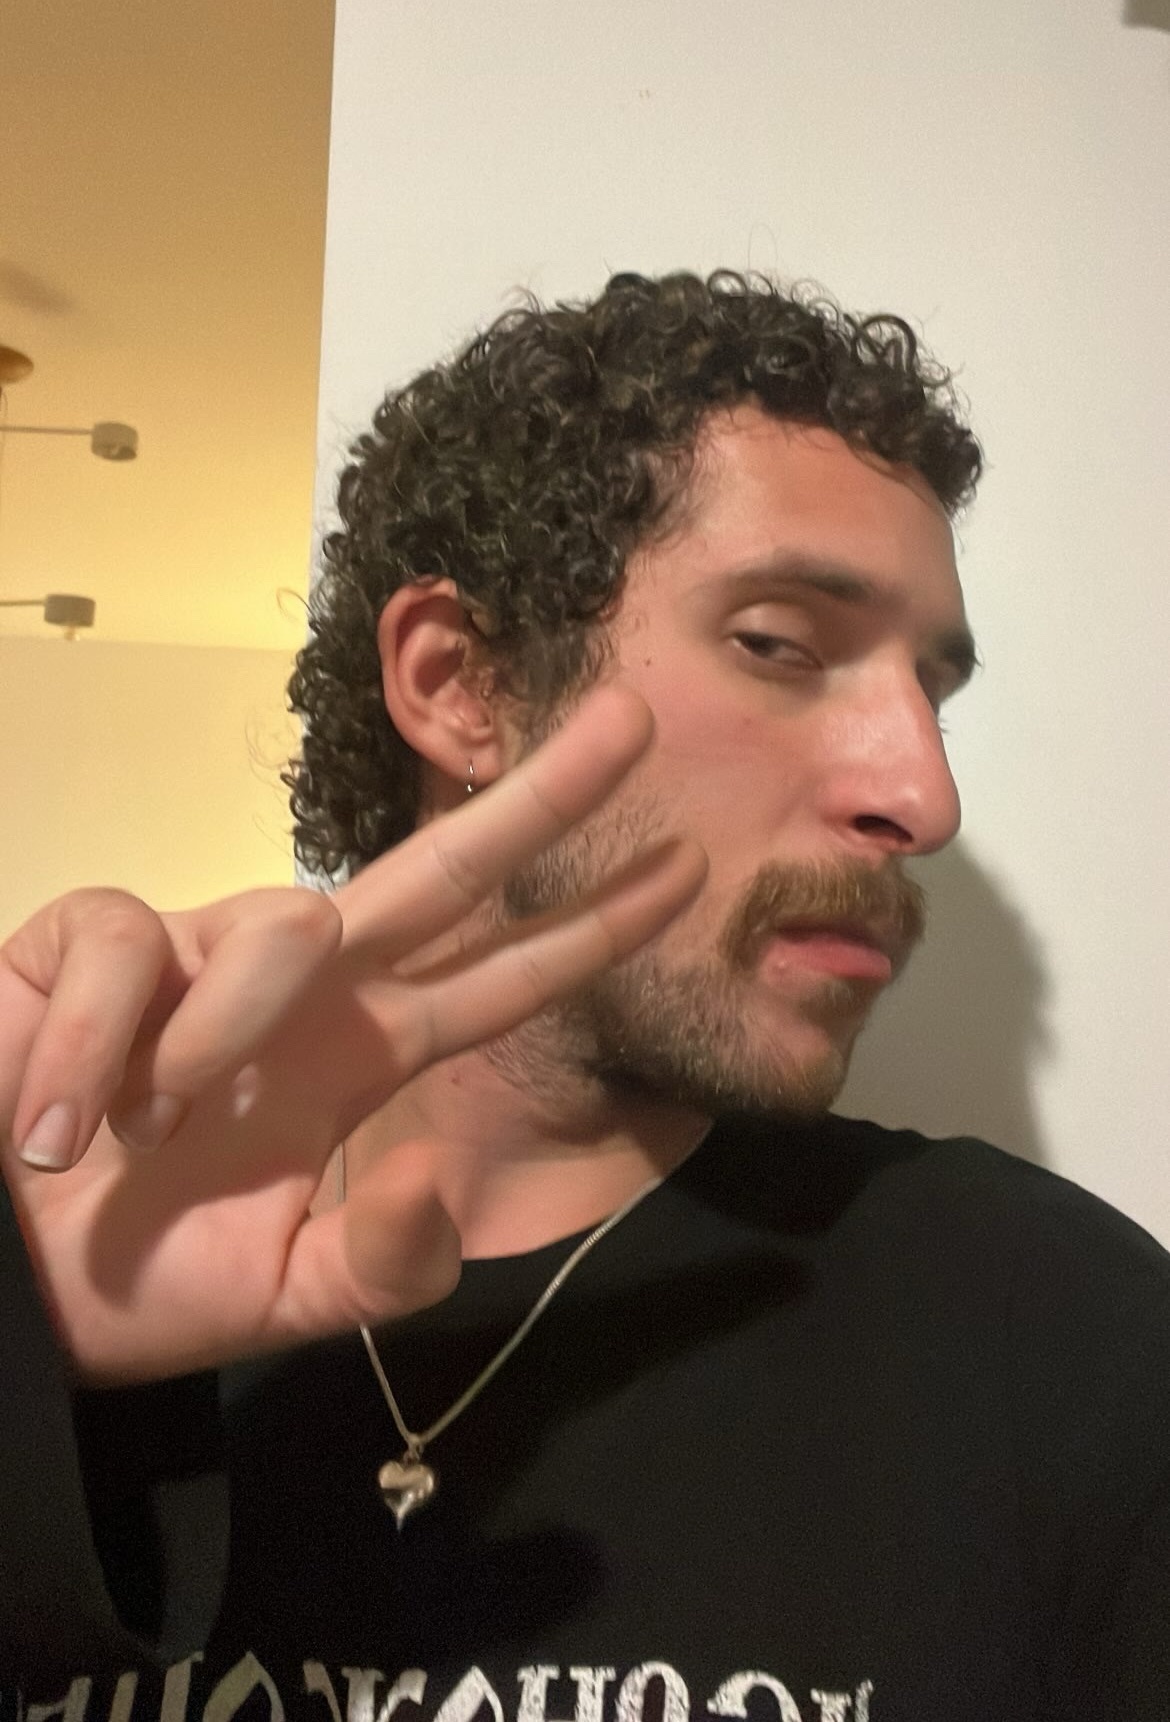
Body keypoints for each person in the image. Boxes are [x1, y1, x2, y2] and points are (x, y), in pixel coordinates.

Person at [1, 271, 1167, 1722]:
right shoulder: (94, 1249)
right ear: (461, 683)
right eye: (782, 644)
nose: (921, 796)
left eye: (931, 692)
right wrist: (18, 1326)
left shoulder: (1061, 1345)